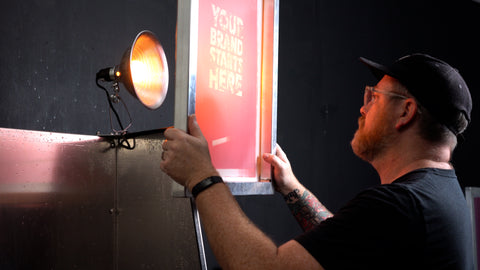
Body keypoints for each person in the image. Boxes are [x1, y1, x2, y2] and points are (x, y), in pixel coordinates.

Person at [160, 53, 474, 270]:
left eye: (374, 98)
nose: (363, 109)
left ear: (405, 113)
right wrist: (293, 188)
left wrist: (202, 176)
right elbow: (345, 246)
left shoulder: (400, 205)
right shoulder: (441, 192)